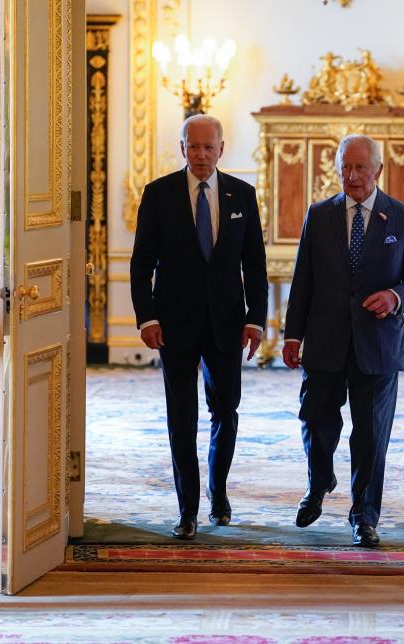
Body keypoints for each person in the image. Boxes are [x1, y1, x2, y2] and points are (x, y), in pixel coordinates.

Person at [282, 134, 404, 547]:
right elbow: (303, 282)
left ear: (378, 170)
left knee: (370, 435)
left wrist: (395, 297)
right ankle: (319, 482)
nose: (352, 175)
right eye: (345, 167)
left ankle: (364, 516)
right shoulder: (319, 215)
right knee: (315, 420)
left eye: (360, 167)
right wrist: (292, 335)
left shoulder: (402, 218)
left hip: (377, 346)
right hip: (324, 342)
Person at [130, 114, 268, 540]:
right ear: (182, 147)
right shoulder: (159, 194)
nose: (202, 155)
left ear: (222, 149)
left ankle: (218, 491)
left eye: (209, 147)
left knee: (225, 411)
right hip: (174, 324)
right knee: (181, 417)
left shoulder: (242, 194)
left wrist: (255, 320)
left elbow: (255, 266)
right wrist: (147, 317)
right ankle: (187, 509)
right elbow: (141, 264)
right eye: (194, 146)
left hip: (227, 323)